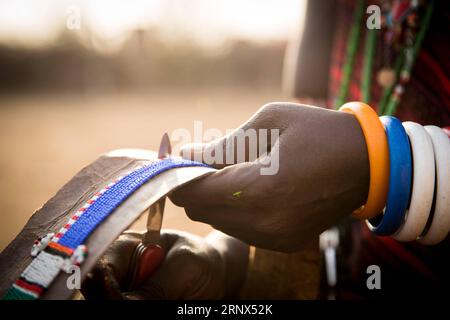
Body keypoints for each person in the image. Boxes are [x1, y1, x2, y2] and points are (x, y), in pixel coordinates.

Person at [83, 0, 449, 299]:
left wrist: (375, 165)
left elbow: (347, 172)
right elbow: (323, 201)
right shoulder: (333, 14)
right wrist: (234, 264)